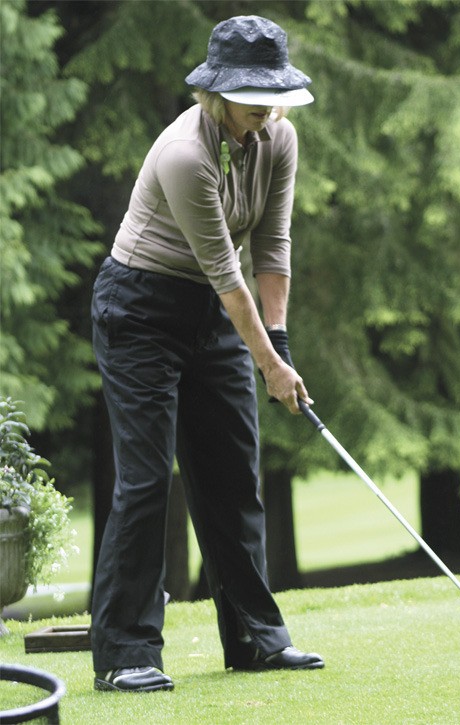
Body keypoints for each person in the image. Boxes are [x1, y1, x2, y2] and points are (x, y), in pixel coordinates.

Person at [90, 15, 323, 693]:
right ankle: (127, 652)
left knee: (231, 474)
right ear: (217, 94)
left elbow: (272, 248)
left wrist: (276, 349)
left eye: (273, 98)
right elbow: (227, 273)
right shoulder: (183, 154)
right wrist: (269, 367)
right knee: (144, 481)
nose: (266, 112)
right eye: (253, 101)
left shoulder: (278, 137)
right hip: (140, 309)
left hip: (218, 313)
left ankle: (255, 638)